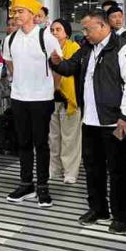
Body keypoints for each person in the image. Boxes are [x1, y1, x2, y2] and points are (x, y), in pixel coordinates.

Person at [50, 10, 126, 234]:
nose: (85, 33)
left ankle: (122, 216)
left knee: (118, 172)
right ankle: (98, 209)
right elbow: (68, 68)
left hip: (116, 123)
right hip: (90, 121)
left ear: (103, 26)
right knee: (93, 169)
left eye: (88, 29)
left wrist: (125, 116)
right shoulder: (86, 49)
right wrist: (55, 61)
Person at [2, 0, 62, 208]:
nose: (16, 15)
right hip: (19, 98)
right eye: (14, 12)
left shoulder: (46, 37)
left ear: (32, 13)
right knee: (23, 142)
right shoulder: (10, 40)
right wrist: (19, 82)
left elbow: (58, 66)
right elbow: (9, 63)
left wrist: (51, 89)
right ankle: (26, 183)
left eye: (20, 11)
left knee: (41, 143)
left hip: (42, 99)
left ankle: (43, 186)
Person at [48, 19, 82, 184]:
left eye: (58, 29)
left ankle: (70, 172)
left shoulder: (75, 48)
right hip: (49, 99)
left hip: (70, 99)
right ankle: (54, 169)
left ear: (66, 33)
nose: (54, 32)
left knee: (70, 139)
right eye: (52, 30)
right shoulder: (46, 49)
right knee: (53, 138)